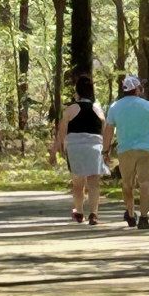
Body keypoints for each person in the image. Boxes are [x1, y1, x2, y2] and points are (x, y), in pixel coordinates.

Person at [102, 75, 149, 230]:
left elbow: (108, 131)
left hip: (125, 151)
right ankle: (144, 218)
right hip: (146, 150)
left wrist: (105, 150)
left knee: (127, 184)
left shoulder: (115, 107)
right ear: (138, 89)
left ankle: (131, 213)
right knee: (145, 183)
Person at [50, 75, 109, 225]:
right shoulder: (99, 111)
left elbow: (61, 133)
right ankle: (94, 214)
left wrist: (55, 151)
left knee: (78, 183)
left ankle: (80, 212)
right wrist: (106, 151)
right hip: (94, 148)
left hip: (75, 148)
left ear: (77, 92)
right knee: (94, 181)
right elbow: (105, 132)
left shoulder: (70, 110)